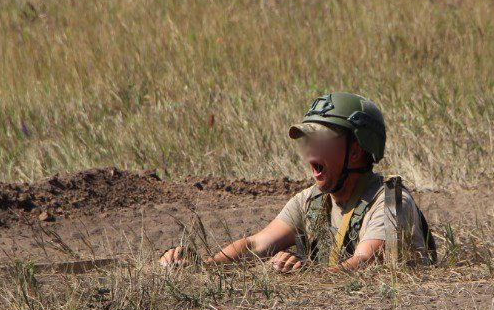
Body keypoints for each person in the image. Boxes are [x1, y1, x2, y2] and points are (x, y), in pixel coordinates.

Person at [160, 92, 435, 273]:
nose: (310, 152)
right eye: (308, 142)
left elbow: (364, 263)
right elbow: (256, 245)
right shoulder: (311, 200)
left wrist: (304, 271)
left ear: (355, 150)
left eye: (322, 142)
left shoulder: (389, 202)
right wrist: (201, 265)